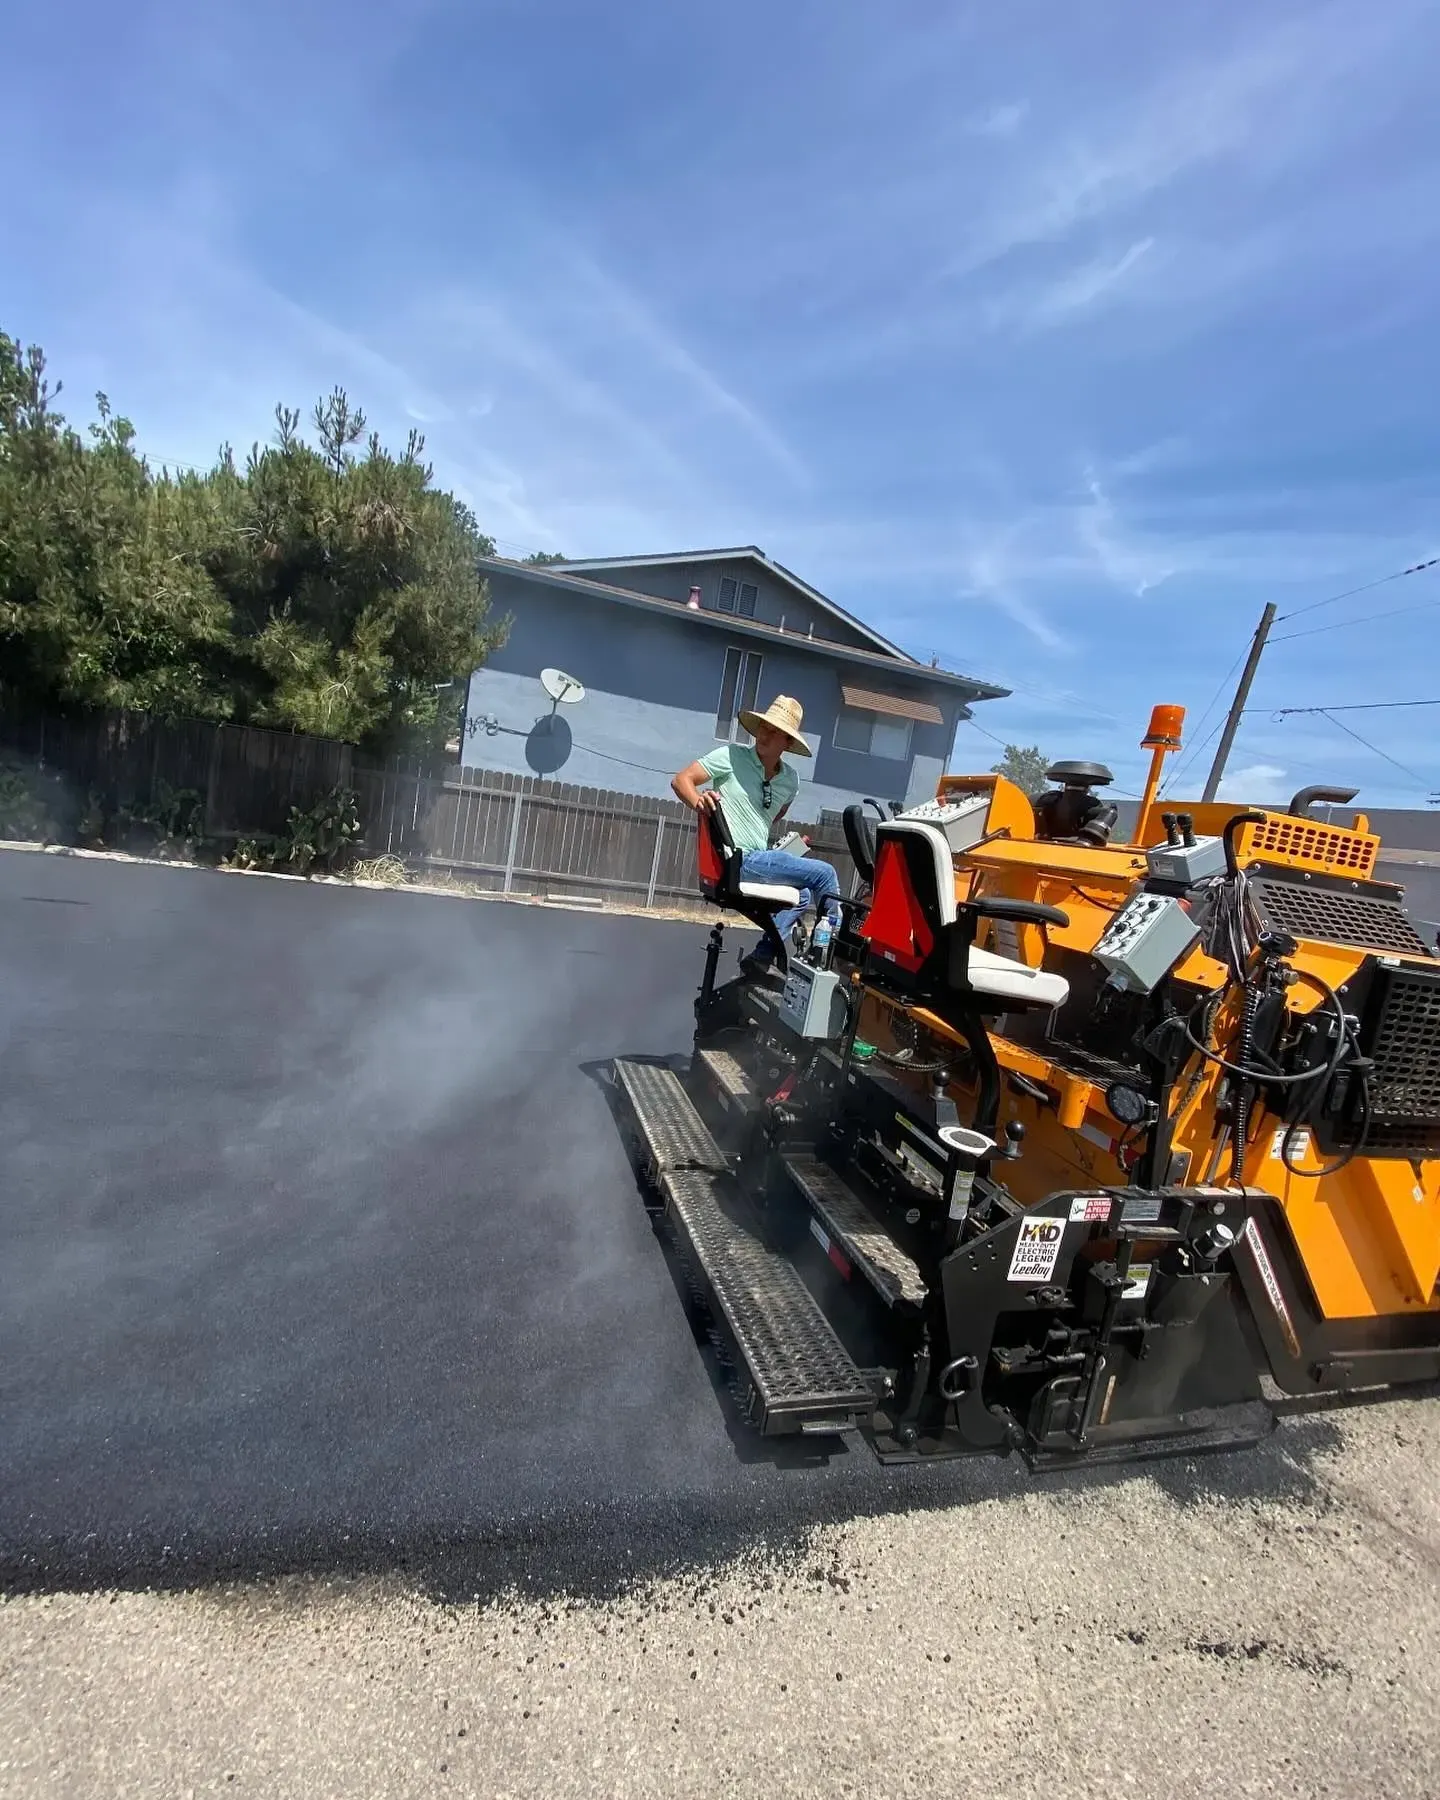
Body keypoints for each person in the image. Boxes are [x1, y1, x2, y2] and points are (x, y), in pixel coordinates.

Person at [672, 694, 842, 974]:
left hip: (759, 858)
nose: (765, 733)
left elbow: (775, 813)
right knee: (825, 874)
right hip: (740, 861)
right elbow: (682, 780)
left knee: (800, 897)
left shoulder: (790, 780)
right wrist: (698, 801)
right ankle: (828, 955)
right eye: (764, 726)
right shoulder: (730, 756)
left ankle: (762, 956)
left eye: (775, 731)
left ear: (787, 742)